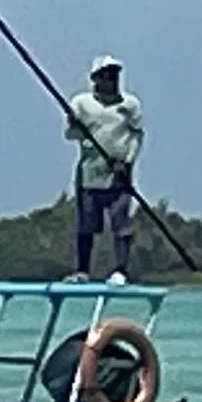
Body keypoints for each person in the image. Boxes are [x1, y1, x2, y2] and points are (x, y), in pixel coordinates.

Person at [65, 54, 145, 284]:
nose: (111, 80)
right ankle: (82, 271)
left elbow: (137, 136)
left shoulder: (129, 105)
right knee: (86, 226)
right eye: (106, 75)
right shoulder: (81, 103)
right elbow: (71, 135)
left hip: (119, 176)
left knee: (120, 222)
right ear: (95, 79)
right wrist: (74, 125)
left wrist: (127, 162)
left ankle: (121, 270)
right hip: (90, 173)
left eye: (115, 75)